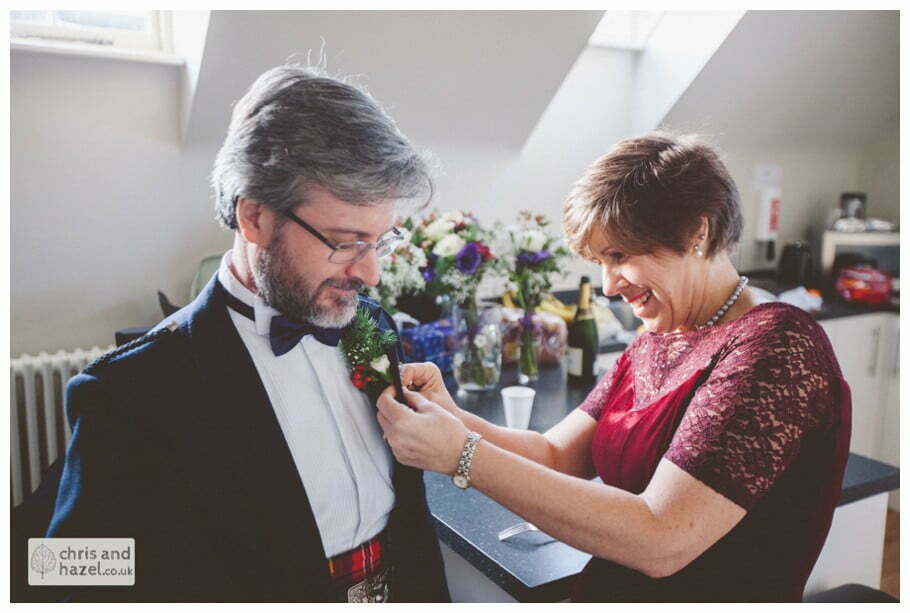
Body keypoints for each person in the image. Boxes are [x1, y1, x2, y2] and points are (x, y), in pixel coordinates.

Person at [376, 133, 851, 602]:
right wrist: (451, 417)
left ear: (696, 233)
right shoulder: (660, 335)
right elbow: (556, 454)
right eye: (601, 261)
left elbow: (661, 538)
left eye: (619, 256)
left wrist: (462, 454)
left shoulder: (773, 346)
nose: (606, 286)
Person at [44, 65, 449, 603]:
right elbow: (68, 577)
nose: (370, 273)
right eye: (346, 241)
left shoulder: (369, 326)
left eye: (380, 241)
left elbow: (407, 510)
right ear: (254, 216)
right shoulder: (130, 393)